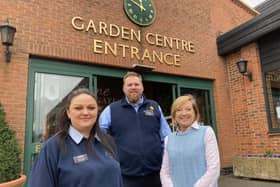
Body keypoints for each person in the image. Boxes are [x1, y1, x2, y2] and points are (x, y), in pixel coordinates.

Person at [28, 88, 123, 187]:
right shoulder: (53, 147)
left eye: (91, 108)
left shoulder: (108, 141)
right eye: (78, 108)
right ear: (68, 113)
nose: (86, 113)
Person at [99, 71, 171, 187]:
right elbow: (99, 137)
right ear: (124, 88)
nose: (133, 87)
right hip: (125, 176)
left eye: (136, 84)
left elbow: (167, 138)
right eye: (129, 85)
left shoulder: (155, 107)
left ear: (142, 87)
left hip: (155, 175)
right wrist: (109, 159)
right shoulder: (111, 110)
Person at [160, 95, 220, 187]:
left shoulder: (206, 132)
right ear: (174, 114)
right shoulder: (169, 139)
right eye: (179, 110)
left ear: (195, 113)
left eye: (188, 109)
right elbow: (165, 172)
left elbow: (214, 168)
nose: (184, 113)